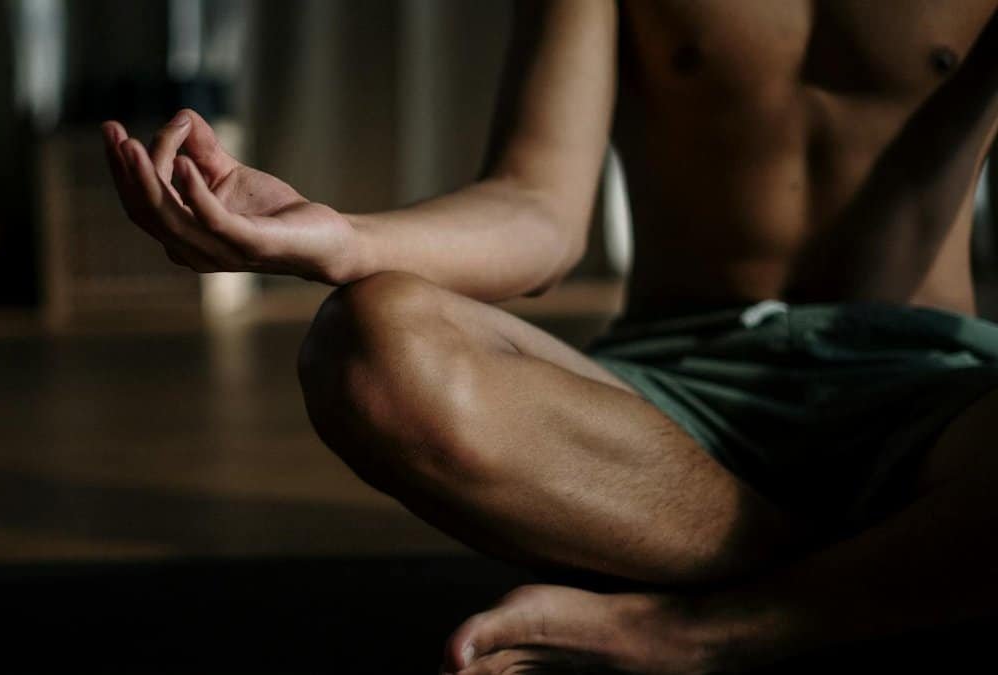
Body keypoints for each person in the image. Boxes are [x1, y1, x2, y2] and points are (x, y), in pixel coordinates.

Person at [100, 1, 998, 672]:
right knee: (369, 347)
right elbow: (541, 210)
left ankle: (704, 627)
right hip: (667, 403)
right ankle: (878, 573)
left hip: (924, 385)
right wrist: (342, 238)